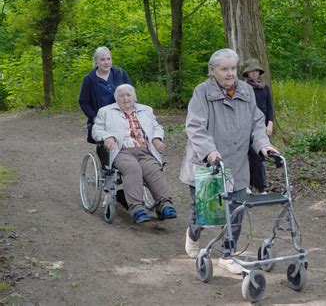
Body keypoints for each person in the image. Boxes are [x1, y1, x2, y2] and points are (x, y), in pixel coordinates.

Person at [180, 48, 278, 274]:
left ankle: (227, 254)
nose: (230, 73)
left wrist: (263, 144)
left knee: (236, 211)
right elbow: (195, 126)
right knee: (205, 214)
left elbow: (257, 121)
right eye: (224, 69)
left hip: (237, 163)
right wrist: (210, 151)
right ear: (212, 70)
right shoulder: (202, 92)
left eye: (233, 68)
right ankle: (193, 233)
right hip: (208, 164)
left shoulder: (246, 91)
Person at [92, 84, 177, 223]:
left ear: (134, 97)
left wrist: (156, 139)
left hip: (144, 150)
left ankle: (165, 204)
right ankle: (137, 207)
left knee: (153, 168)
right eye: (121, 95)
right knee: (133, 168)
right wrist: (107, 136)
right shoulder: (106, 111)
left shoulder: (146, 110)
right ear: (116, 98)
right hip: (121, 150)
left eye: (129, 95)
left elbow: (156, 127)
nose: (126, 98)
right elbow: (96, 130)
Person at [79, 46, 132, 143]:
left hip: (123, 118)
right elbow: (84, 102)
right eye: (102, 59)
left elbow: (131, 95)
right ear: (96, 61)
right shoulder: (89, 79)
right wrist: (95, 118)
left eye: (109, 59)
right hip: (103, 121)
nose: (106, 62)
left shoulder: (120, 74)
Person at [242, 58, 275, 194]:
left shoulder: (265, 88)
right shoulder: (244, 88)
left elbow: (269, 106)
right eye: (251, 71)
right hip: (248, 126)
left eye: (256, 71)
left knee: (260, 156)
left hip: (263, 126)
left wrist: (270, 123)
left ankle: (261, 186)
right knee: (249, 156)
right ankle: (248, 185)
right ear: (247, 73)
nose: (254, 74)